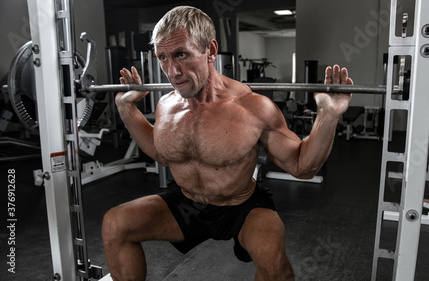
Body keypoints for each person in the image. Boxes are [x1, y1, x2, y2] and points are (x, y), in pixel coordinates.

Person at [101, 5, 353, 281]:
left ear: (210, 50)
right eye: (162, 58)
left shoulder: (253, 107)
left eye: (181, 54)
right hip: (187, 204)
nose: (172, 71)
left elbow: (301, 166)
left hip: (242, 206)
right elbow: (162, 153)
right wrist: (127, 110)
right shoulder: (166, 105)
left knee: (273, 258)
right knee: (116, 224)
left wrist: (328, 115)